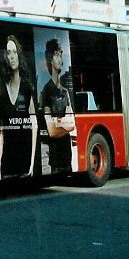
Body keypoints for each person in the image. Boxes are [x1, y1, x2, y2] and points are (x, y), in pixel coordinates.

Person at [0, 35, 38, 179]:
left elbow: (34, 126)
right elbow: (2, 131)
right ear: (5, 58)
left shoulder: (27, 86)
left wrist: (32, 164)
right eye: (8, 53)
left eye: (14, 52)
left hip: (24, 162)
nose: (12, 57)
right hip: (7, 164)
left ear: (19, 54)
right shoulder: (2, 88)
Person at [38, 39, 77, 174]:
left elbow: (72, 123)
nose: (60, 58)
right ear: (49, 58)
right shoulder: (46, 91)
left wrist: (58, 123)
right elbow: (52, 131)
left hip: (67, 156)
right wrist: (63, 124)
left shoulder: (65, 91)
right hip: (55, 158)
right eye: (56, 54)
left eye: (61, 54)